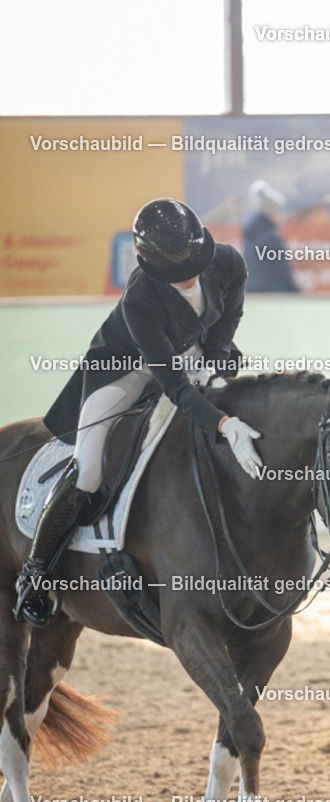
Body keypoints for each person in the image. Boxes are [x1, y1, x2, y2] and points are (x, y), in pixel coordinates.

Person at [14, 197, 262, 627]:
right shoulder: (141, 298)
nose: (187, 278)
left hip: (192, 354)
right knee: (89, 469)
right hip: (124, 370)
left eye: (190, 262)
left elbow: (226, 325)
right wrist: (222, 423)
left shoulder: (228, 264)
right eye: (175, 270)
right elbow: (171, 384)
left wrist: (216, 364)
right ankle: (36, 573)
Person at [242, 180, 299, 293]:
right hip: (273, 294)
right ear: (273, 212)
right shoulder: (271, 238)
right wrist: (295, 292)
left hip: (252, 291)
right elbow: (282, 271)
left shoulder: (251, 234)